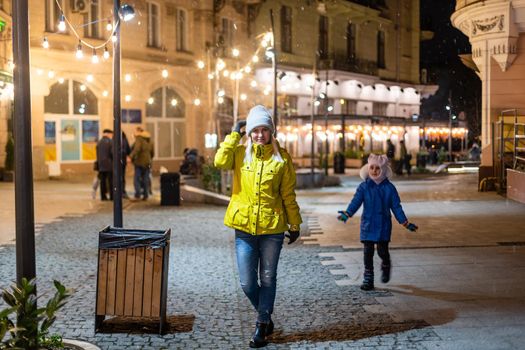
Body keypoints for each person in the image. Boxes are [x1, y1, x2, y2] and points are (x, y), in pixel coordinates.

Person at [214, 105, 302, 348]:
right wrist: (233, 133)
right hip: (244, 227)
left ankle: (262, 323)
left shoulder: (281, 158)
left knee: (268, 277)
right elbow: (219, 161)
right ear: (249, 132)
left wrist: (294, 224)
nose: (260, 134)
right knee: (247, 283)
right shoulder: (241, 154)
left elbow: (288, 194)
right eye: (255, 130)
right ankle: (265, 315)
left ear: (271, 132)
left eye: (265, 130)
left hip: (272, 229)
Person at [337, 154, 418, 291]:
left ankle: (386, 264)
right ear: (368, 169)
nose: (374, 171)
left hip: (383, 226)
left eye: (377, 168)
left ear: (384, 170)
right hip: (367, 225)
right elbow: (356, 201)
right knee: (367, 252)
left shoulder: (390, 188)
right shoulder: (364, 187)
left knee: (382, 251)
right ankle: (368, 278)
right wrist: (348, 213)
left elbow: (396, 207)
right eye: (372, 168)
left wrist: (405, 222)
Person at [130, 127, 154, 200]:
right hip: (148, 162)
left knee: (136, 179)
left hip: (140, 162)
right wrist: (149, 159)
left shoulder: (139, 139)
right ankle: (146, 195)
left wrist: (130, 157)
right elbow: (152, 152)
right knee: (146, 179)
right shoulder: (150, 140)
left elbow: (137, 149)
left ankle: (137, 194)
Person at [96, 129, 113, 201]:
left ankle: (103, 197)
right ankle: (112, 196)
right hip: (109, 165)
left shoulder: (99, 142)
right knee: (110, 181)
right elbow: (112, 153)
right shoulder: (110, 142)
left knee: (102, 182)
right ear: (109, 134)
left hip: (101, 165)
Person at [121, 131, 131, 198]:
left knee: (116, 177)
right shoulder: (125, 140)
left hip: (115, 163)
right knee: (122, 177)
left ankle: (118, 191)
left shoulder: (114, 140)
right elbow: (129, 150)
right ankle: (123, 191)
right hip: (123, 162)